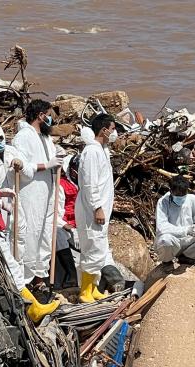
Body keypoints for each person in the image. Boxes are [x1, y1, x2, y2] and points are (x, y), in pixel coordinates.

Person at [0, 125, 59, 322]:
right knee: (11, 267)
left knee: (9, 264)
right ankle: (31, 309)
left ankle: (29, 306)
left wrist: (1, 193)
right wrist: (0, 204)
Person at [12, 99, 64, 285]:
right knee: (31, 234)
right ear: (41, 116)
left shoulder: (45, 137)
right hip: (31, 194)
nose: (51, 120)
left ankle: (41, 277)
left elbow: (52, 160)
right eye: (49, 116)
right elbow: (21, 168)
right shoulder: (23, 137)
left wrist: (57, 158)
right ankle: (26, 279)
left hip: (47, 192)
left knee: (45, 234)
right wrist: (45, 165)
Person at [76, 114, 118, 303]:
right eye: (113, 128)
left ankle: (92, 287)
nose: (115, 133)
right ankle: (85, 291)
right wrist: (97, 207)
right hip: (93, 210)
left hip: (101, 208)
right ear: (104, 130)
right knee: (93, 247)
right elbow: (89, 183)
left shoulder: (102, 150)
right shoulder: (91, 152)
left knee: (99, 247)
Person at [154, 175, 195, 265]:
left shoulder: (191, 199)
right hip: (173, 241)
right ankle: (167, 261)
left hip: (188, 241)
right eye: (177, 194)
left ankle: (187, 257)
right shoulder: (163, 202)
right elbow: (162, 227)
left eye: (183, 193)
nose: (180, 196)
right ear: (171, 191)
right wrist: (186, 230)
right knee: (165, 240)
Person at [55, 154, 80, 289]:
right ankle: (71, 275)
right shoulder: (61, 186)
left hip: (81, 226)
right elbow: (56, 214)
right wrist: (68, 227)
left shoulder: (85, 185)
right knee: (58, 236)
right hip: (66, 226)